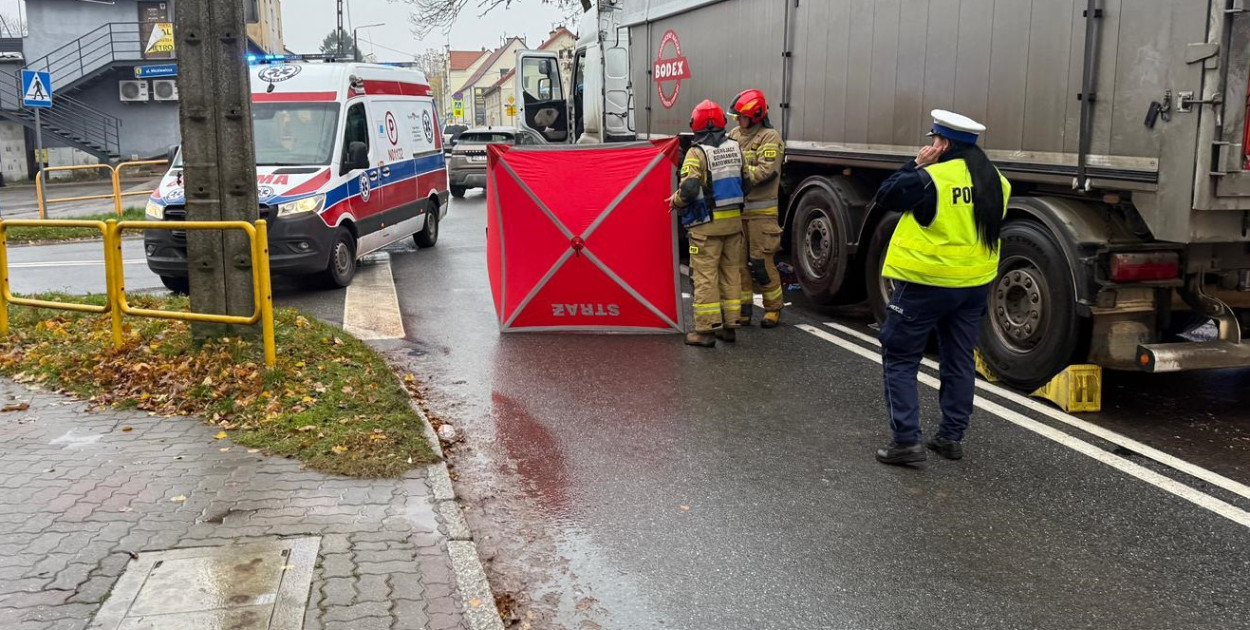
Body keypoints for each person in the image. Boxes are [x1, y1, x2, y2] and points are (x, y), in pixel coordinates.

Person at [873, 110, 1012, 465]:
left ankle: (906, 442)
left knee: (901, 356)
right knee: (959, 358)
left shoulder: (930, 178)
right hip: (973, 285)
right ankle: (951, 437)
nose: (931, 146)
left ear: (944, 143)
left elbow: (886, 196)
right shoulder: (997, 180)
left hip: (926, 283)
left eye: (934, 140)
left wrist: (914, 164)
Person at [670, 100, 747, 347]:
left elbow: (690, 188)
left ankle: (705, 331)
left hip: (706, 227)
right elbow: (748, 184)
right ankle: (729, 326)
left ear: (696, 125)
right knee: (730, 274)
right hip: (734, 225)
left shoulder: (697, 152)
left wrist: (675, 201)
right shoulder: (736, 148)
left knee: (704, 277)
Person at [728, 89, 785, 328]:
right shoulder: (733, 135)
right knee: (738, 264)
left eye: (741, 116)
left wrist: (734, 172)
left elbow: (764, 172)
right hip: (737, 212)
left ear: (756, 116)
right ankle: (744, 310)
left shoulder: (770, 137)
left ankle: (773, 308)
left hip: (762, 215)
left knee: (761, 263)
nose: (738, 121)